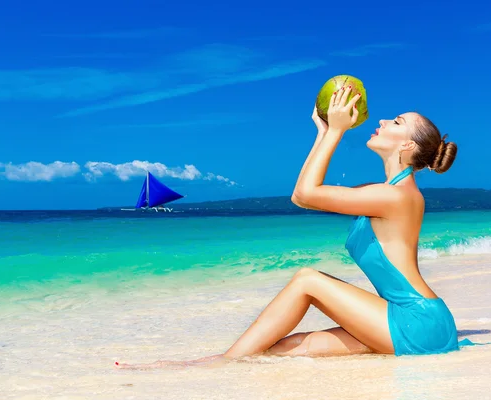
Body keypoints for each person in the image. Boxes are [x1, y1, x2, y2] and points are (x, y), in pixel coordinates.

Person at [116, 85, 460, 370]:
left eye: (396, 121)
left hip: (417, 322)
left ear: (407, 145)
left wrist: (337, 131)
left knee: (307, 280)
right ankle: (204, 365)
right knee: (293, 346)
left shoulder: (395, 196)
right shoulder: (386, 192)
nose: (383, 120)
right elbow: (303, 196)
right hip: (413, 321)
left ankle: (218, 363)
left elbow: (305, 194)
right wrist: (324, 132)